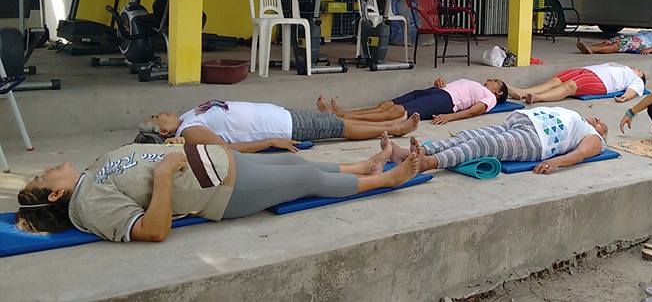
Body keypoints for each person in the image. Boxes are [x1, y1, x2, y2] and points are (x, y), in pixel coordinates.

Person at [15, 141, 420, 242]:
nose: (47, 170)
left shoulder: (90, 173)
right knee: (307, 181)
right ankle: (384, 179)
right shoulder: (88, 204)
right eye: (43, 178)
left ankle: (362, 165)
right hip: (222, 190)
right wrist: (162, 176)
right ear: (54, 196)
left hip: (218, 162)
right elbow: (152, 231)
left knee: (296, 164)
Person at [386, 106, 608, 175]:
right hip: (521, 122)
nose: (598, 120)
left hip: (537, 139)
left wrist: (556, 163)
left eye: (601, 124)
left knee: (481, 146)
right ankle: (419, 152)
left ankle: (429, 163)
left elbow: (579, 154)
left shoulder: (594, 138)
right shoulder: (576, 116)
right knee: (470, 136)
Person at [136, 99, 419, 153]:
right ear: (163, 131)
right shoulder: (188, 132)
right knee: (337, 127)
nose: (160, 112)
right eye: (156, 117)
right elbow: (227, 149)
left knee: (335, 121)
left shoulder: (187, 118)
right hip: (281, 128)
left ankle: (390, 121)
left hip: (278, 115)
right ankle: (394, 130)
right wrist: (270, 142)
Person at [321, 77, 509, 125]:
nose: (490, 80)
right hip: (437, 91)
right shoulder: (478, 85)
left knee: (397, 112)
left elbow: (475, 110)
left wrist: (450, 117)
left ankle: (347, 119)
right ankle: (346, 113)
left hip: (445, 101)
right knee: (387, 105)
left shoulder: (490, 97)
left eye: (494, 81)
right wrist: (440, 83)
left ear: (498, 92)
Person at [510, 62, 646, 104]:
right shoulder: (621, 66)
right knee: (554, 81)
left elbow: (633, 90)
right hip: (588, 70)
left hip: (602, 81)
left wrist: (626, 97)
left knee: (569, 86)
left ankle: (537, 98)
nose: (638, 69)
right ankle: (522, 92)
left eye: (640, 71)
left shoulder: (637, 80)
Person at [576, 29, 652, 55]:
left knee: (617, 46)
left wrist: (650, 49)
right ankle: (588, 47)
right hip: (633, 37)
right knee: (609, 42)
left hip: (639, 42)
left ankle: (592, 49)